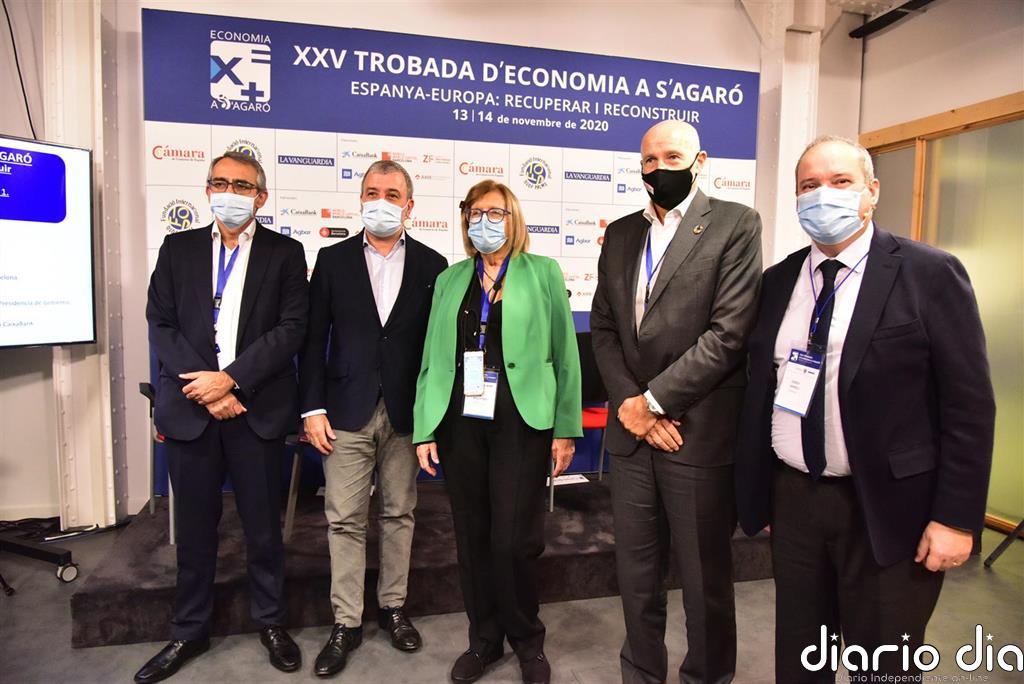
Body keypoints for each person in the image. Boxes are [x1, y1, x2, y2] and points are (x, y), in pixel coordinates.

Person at [735, 135, 995, 682]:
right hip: (797, 501)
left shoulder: (929, 273)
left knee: (884, 665)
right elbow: (763, 388)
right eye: (809, 185)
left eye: (840, 182)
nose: (822, 195)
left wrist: (955, 518)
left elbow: (969, 407)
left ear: (871, 191)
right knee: (801, 660)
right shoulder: (779, 281)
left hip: (889, 508)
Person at [590, 120, 763, 684]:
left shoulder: (736, 223)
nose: (658, 168)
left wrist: (656, 402)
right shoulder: (621, 234)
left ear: (699, 161)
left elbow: (728, 334)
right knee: (636, 579)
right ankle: (641, 674)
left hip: (697, 433)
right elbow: (605, 328)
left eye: (671, 157)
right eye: (649, 159)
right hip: (633, 437)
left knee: (704, 582)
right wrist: (632, 406)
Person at [138, 151, 308, 682]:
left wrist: (231, 380)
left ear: (261, 197)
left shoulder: (285, 253)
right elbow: (161, 324)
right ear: (207, 190)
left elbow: (290, 330)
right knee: (193, 532)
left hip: (255, 410)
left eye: (242, 185)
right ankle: (189, 629)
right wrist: (209, 390)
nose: (229, 193)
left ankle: (271, 622)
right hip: (193, 409)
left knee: (263, 530)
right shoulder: (178, 248)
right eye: (220, 183)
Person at [412, 180, 582, 684]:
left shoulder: (542, 272)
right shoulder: (450, 278)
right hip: (460, 422)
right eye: (475, 212)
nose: (484, 221)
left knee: (513, 540)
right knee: (472, 537)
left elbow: (565, 355)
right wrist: (424, 428)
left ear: (513, 218)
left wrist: (566, 427)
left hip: (521, 422)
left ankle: (527, 639)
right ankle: (483, 639)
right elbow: (431, 358)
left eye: (495, 212)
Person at [298, 160, 447, 678]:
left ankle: (393, 607)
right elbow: (312, 341)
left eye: (391, 194)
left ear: (409, 205)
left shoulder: (434, 265)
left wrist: (432, 419)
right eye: (371, 192)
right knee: (344, 518)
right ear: (360, 199)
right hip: (345, 410)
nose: (380, 201)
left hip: (407, 414)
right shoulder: (332, 259)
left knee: (399, 513)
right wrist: (312, 407)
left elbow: (437, 351)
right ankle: (346, 621)